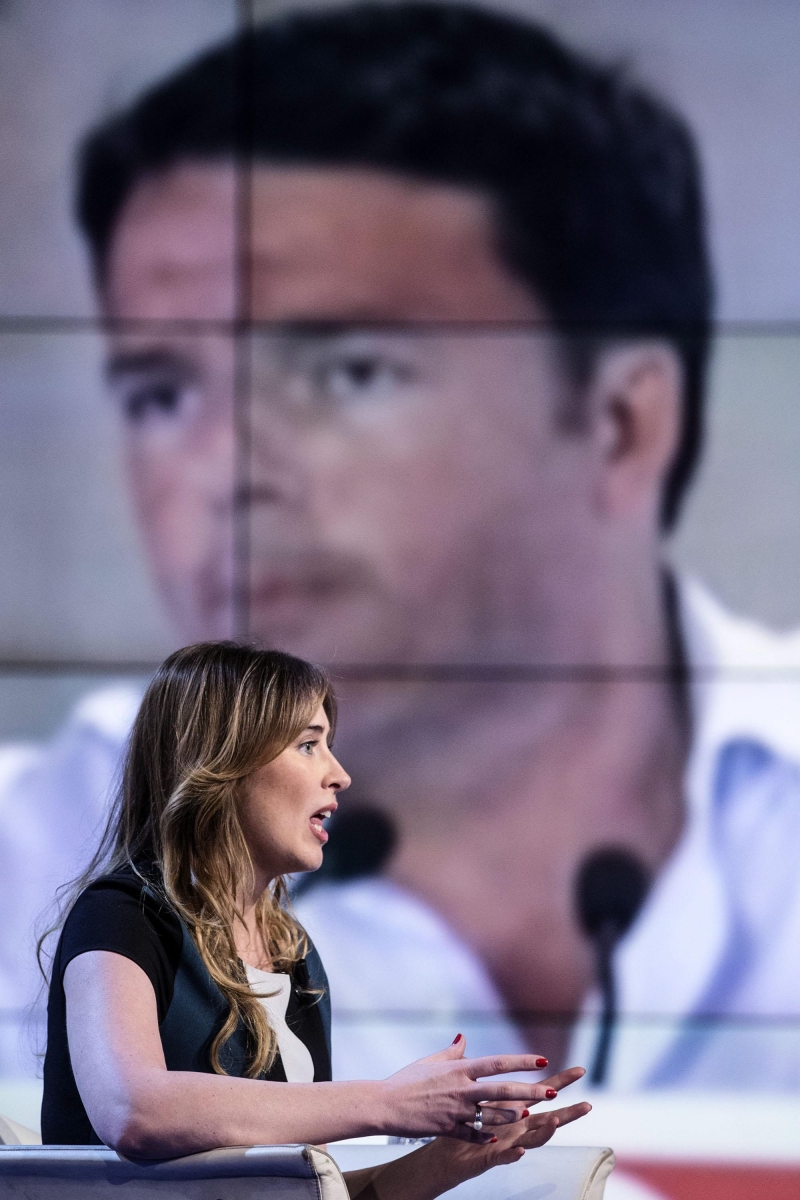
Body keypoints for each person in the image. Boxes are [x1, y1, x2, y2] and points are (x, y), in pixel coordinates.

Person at [2, 1, 799, 1088]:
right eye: (162, 393)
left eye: (346, 373)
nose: (227, 474)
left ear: (621, 423)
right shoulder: (39, 851)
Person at [40, 640, 590, 1196]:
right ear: (223, 763)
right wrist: (389, 1102)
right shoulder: (121, 915)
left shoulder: (293, 952)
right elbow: (134, 1111)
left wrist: (448, 1160)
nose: (339, 775)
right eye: (308, 745)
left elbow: (301, 1190)